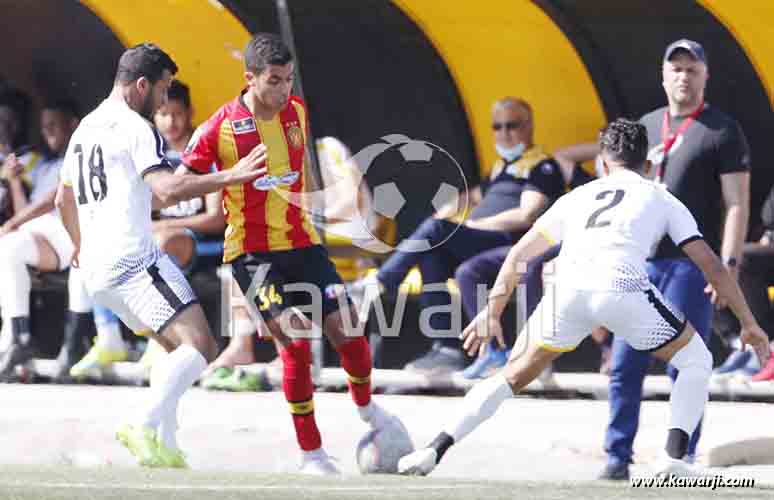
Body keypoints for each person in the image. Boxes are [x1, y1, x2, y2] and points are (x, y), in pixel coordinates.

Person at [396, 118, 770, 478]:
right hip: (621, 288)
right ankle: (672, 457)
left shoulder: (577, 196)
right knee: (696, 358)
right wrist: (750, 325)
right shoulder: (661, 196)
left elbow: (518, 257)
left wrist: (492, 312)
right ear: (650, 163)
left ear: (602, 162)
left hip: (568, 292)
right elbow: (714, 268)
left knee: (512, 375)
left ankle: (435, 448)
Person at [179, 33, 409, 475]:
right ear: (249, 79)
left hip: (303, 245)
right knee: (298, 345)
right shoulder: (218, 128)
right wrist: (229, 176)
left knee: (352, 336)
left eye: (288, 80)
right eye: (274, 81)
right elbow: (173, 186)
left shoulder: (297, 112)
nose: (284, 90)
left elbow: (296, 173)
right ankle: (312, 454)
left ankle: (368, 411)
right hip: (253, 256)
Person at [55, 43, 267, 468]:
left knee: (173, 351)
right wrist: (233, 176)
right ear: (140, 85)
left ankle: (164, 446)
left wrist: (79, 244)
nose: (166, 100)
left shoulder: (86, 129)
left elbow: (63, 199)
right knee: (201, 346)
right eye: (164, 89)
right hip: (134, 263)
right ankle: (141, 421)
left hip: (97, 272)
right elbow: (167, 190)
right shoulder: (136, 128)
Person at [351, 97, 566, 375]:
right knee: (431, 249)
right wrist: (448, 209)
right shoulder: (500, 168)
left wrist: (476, 224)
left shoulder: (542, 166)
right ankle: (447, 349)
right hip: (482, 244)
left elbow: (526, 214)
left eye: (511, 125)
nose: (504, 133)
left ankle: (379, 282)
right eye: (497, 127)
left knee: (435, 231)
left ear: (529, 126)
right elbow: (474, 195)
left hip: (511, 243)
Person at [0, 99, 82, 376]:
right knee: (8, 248)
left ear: (73, 124)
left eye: (53, 125)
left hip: (70, 234)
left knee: (8, 242)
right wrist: (13, 181)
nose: (47, 132)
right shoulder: (43, 166)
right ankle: (18, 337)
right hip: (39, 232)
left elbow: (54, 199)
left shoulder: (80, 154)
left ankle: (15, 339)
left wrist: (12, 222)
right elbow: (27, 215)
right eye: (44, 127)